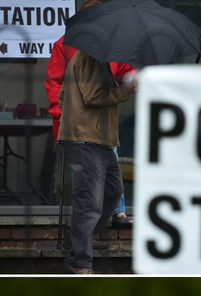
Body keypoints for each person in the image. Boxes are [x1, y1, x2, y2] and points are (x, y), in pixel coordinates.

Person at [45, 0, 135, 229]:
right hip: (78, 126)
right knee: (85, 183)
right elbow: (55, 86)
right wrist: (62, 117)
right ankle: (88, 230)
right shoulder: (63, 45)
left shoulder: (112, 47)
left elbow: (124, 70)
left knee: (109, 174)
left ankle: (116, 213)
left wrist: (133, 78)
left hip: (103, 123)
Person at [57, 49, 136, 274]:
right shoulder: (90, 57)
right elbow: (93, 96)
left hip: (99, 139)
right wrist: (123, 91)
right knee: (89, 203)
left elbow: (63, 96)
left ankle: (78, 239)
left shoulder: (94, 58)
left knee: (114, 190)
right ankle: (79, 261)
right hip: (87, 140)